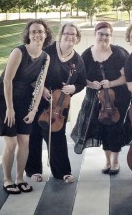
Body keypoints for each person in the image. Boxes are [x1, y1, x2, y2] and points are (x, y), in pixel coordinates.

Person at [0, 19, 52, 194]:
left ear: (46, 34)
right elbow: (7, 80)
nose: (37, 35)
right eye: (33, 31)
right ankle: (8, 179)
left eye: (40, 31)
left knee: (24, 141)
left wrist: (34, 110)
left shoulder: (45, 57)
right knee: (11, 143)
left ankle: (19, 179)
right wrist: (9, 108)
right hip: (4, 99)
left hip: (24, 100)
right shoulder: (19, 52)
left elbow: (39, 85)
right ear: (28, 34)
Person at [25, 22, 86, 184]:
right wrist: (42, 89)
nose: (70, 36)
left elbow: (81, 83)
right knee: (35, 134)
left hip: (60, 104)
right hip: (39, 99)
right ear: (61, 34)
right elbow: (32, 72)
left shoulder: (78, 60)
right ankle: (34, 170)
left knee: (58, 136)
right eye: (67, 33)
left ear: (77, 38)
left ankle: (62, 172)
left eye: (73, 34)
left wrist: (73, 87)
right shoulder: (48, 51)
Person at [71, 22, 132, 175]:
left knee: (115, 128)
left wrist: (111, 83)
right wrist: (91, 84)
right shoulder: (86, 55)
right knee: (103, 128)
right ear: (95, 34)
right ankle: (107, 161)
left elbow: (127, 77)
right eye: (101, 34)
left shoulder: (118, 53)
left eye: (107, 34)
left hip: (119, 97)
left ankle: (116, 162)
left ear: (110, 36)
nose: (104, 37)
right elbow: (80, 78)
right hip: (96, 98)